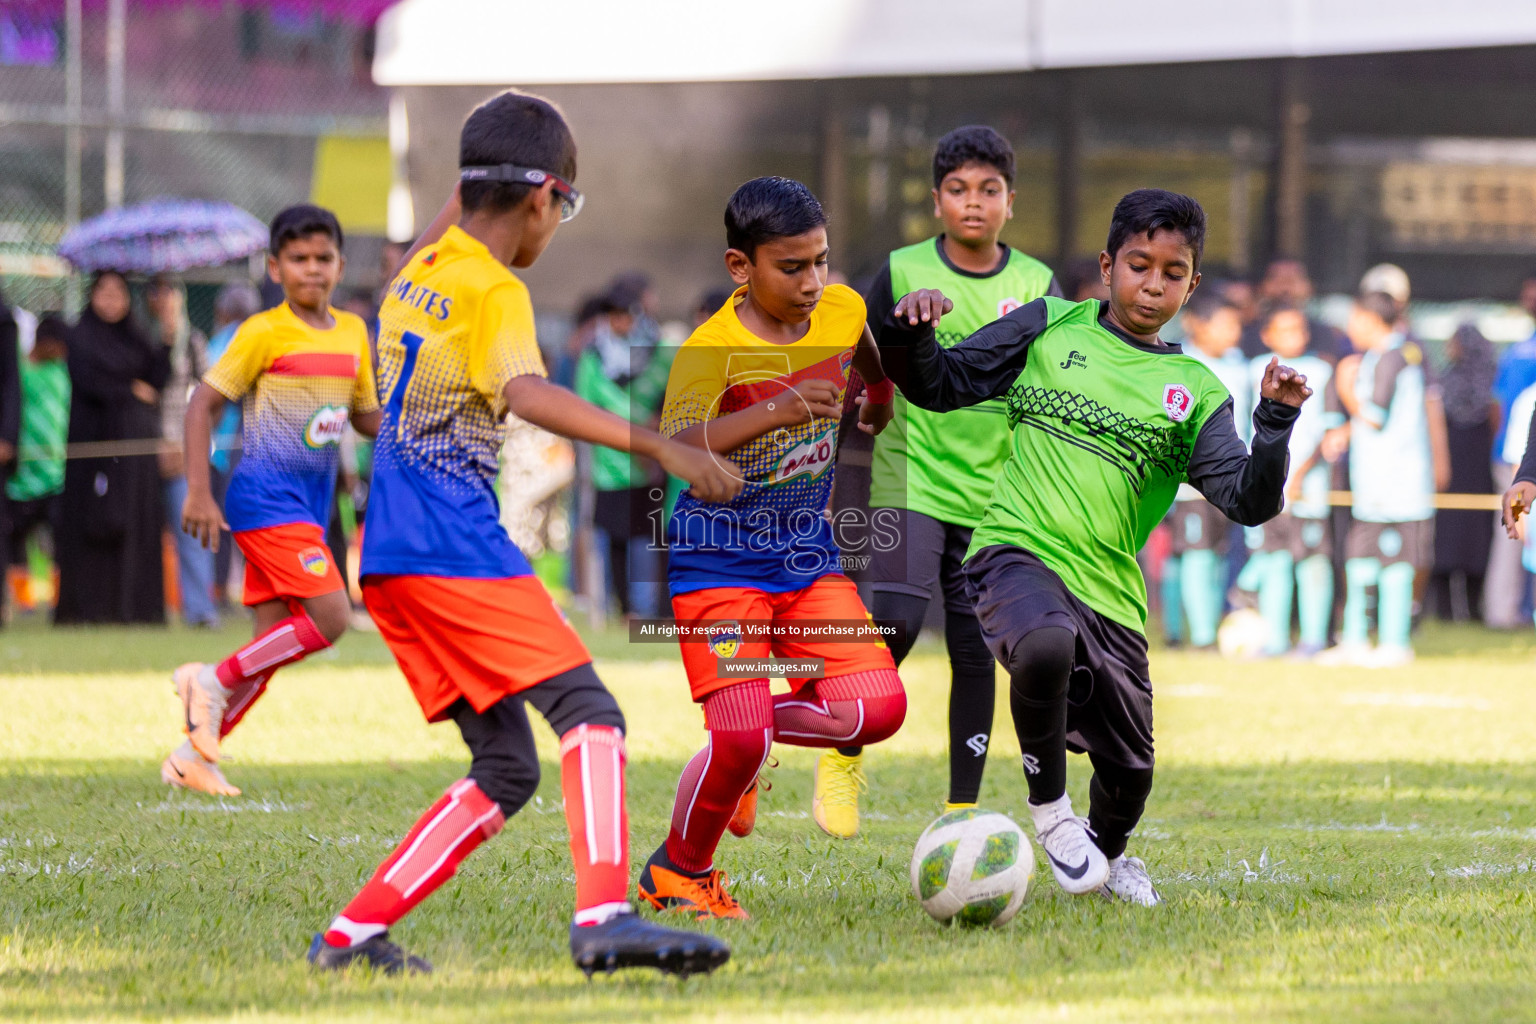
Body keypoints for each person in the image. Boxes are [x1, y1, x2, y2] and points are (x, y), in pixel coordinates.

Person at [308, 90, 737, 978]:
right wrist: (661, 443)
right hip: (453, 547)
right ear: (541, 198)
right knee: (591, 712)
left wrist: (474, 173)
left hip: (388, 559)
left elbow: (442, 234)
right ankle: (605, 918)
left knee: (507, 766)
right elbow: (527, 394)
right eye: (563, 207)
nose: (556, 227)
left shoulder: (413, 279)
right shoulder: (494, 289)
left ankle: (349, 938)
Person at [878, 189, 1308, 905]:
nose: (1153, 283)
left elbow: (1248, 500)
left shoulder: (1194, 390)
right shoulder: (1048, 326)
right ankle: (1050, 812)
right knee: (1044, 645)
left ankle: (1107, 855)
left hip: (1109, 591)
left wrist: (1275, 422)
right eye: (1139, 264)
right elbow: (940, 384)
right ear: (1108, 266)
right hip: (1013, 548)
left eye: (1173, 273)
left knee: (1131, 773)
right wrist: (914, 332)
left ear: (1191, 286)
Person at [636, 176, 904, 919]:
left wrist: (878, 398)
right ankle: (678, 875)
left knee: (877, 709)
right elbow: (677, 445)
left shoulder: (841, 307)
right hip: (718, 563)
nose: (814, 282)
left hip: (805, 557)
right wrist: (780, 409)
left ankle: (745, 742)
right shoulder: (709, 350)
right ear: (740, 267)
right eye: (793, 267)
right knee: (742, 734)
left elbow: (866, 348)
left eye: (821, 260)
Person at [827, 125, 1059, 836]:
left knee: (975, 649)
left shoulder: (1037, 286)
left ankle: (961, 809)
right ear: (936, 201)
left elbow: (1049, 379)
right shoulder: (898, 272)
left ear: (1011, 202)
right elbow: (859, 352)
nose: (974, 203)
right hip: (912, 473)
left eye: (989, 190)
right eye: (958, 190)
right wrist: (867, 401)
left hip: (995, 490)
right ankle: (842, 752)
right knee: (894, 618)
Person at [163, 205, 380, 797]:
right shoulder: (261, 331)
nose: (313, 269)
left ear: (338, 264)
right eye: (299, 259)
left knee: (270, 646)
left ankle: (192, 758)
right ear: (275, 267)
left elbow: (362, 416)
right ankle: (207, 678)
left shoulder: (355, 331)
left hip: (309, 504)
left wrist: (417, 426)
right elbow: (201, 405)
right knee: (330, 619)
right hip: (264, 498)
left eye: (323, 258)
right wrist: (201, 491)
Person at [1319, 292, 1436, 668]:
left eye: (1354, 320)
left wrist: (1345, 387)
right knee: (1360, 558)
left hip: (1397, 486)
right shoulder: (1383, 356)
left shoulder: (1392, 357)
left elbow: (1375, 415)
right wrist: (1344, 432)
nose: (1350, 328)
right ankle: (1354, 638)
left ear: (1370, 320)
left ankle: (1394, 641)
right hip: (1375, 485)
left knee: (1396, 563)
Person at [55, 271, 168, 625]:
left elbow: (157, 378)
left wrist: (166, 331)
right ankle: (89, 608)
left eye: (118, 292)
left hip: (136, 452)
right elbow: (88, 380)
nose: (110, 299)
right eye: (103, 291)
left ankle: (136, 608)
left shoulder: (138, 335)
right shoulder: (80, 336)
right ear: (91, 296)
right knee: (94, 520)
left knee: (137, 521)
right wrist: (130, 390)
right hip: (93, 447)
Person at [1232, 304, 1342, 657]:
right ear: (1267, 335)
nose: (1293, 336)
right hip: (1269, 486)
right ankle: (1275, 638)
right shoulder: (1255, 370)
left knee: (1312, 561)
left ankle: (1312, 639)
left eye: (1298, 329)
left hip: (1308, 490)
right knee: (1275, 560)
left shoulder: (1321, 371)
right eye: (1284, 329)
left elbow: (1327, 431)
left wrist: (1302, 473)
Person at [1166, 291, 1248, 651]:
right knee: (1193, 555)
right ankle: (1197, 636)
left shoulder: (1239, 363)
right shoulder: (1178, 363)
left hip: (1229, 480)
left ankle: (1204, 627)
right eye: (1225, 324)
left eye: (1237, 325)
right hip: (1189, 485)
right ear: (1197, 324)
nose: (1234, 332)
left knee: (1215, 556)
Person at [146, 275, 217, 628]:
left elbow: (210, 396)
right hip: (141, 449)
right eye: (157, 292)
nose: (165, 299)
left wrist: (194, 442)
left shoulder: (193, 341)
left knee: (191, 533)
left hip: (182, 452)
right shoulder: (141, 339)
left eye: (171, 292)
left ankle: (201, 610)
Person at [1430, 324, 1498, 621]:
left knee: (1472, 538)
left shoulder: (1483, 379)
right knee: (1450, 537)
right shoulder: (1449, 378)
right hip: (1454, 471)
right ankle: (1447, 609)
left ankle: (1472, 609)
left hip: (1473, 471)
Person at [7, 315, 69, 615]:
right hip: (22, 476)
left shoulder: (63, 372)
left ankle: (56, 599)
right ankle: (24, 601)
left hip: (56, 474)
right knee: (17, 540)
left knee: (55, 542)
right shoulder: (21, 373)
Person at [205, 283, 261, 607]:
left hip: (228, 443)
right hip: (248, 442)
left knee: (226, 518)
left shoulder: (224, 339)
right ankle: (249, 591)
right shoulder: (257, 334)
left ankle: (220, 590)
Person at [1486, 273, 1536, 628]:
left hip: (1515, 462)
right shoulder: (1522, 351)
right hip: (1517, 463)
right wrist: (1524, 476)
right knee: (1514, 536)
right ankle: (1503, 613)